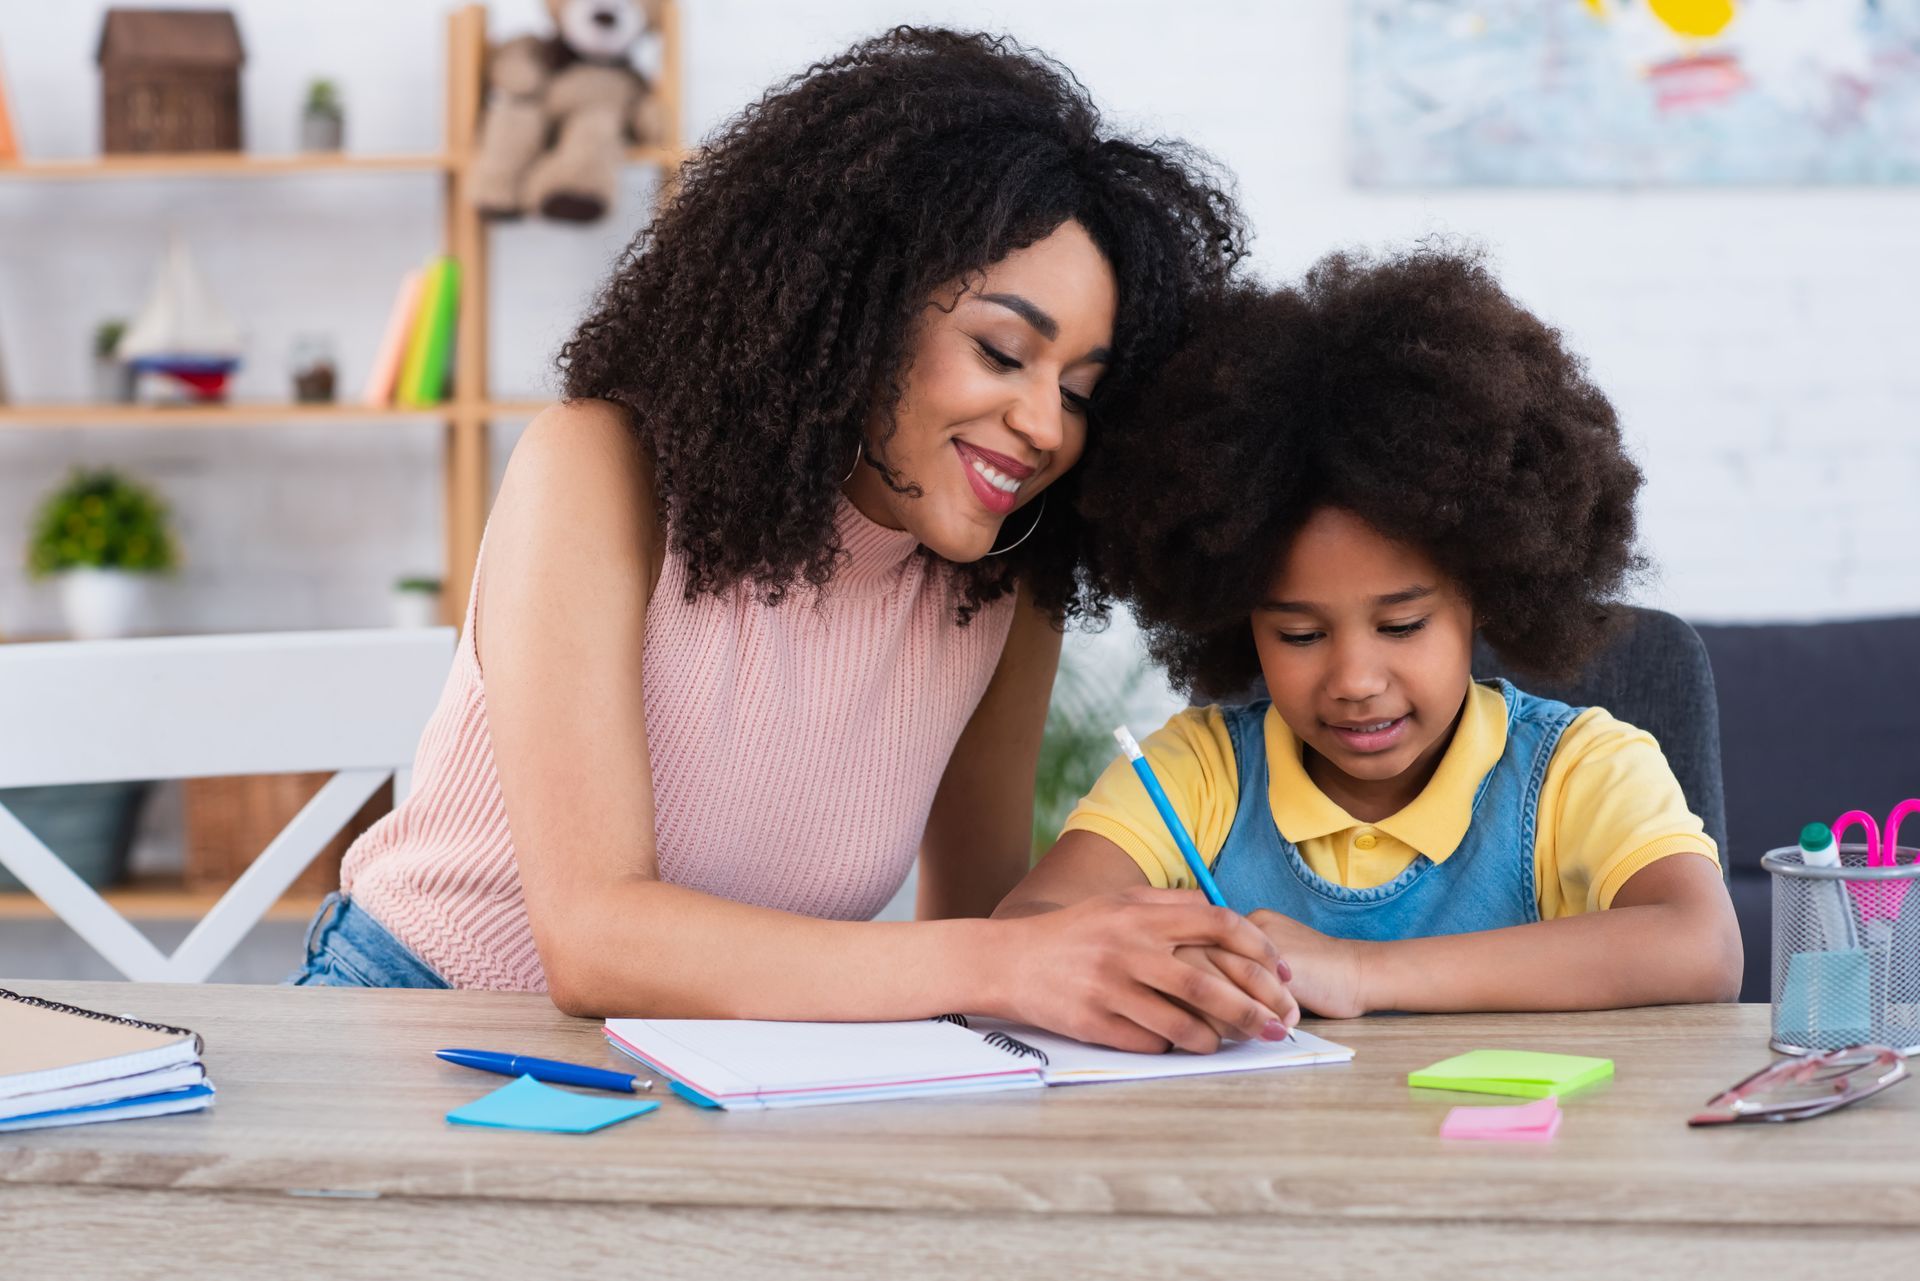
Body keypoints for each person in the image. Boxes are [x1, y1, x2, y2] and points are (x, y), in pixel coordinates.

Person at [295, 28, 1299, 1052]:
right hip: (414, 1029)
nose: (1046, 425)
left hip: (735, 1064)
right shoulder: (601, 472)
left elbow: (983, 935)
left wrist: (1130, 968)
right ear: (859, 308)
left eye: (1081, 391)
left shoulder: (1002, 581)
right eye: (1003, 351)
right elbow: (594, 942)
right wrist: (1007, 959)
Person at [996, 246, 1744, 1022]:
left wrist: (1358, 972)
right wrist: (1176, 968)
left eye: (1402, 624)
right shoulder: (1199, 776)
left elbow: (1703, 946)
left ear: (1484, 592)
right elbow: (1022, 933)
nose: (1354, 678)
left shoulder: (1581, 771)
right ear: (1236, 615)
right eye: (1298, 634)